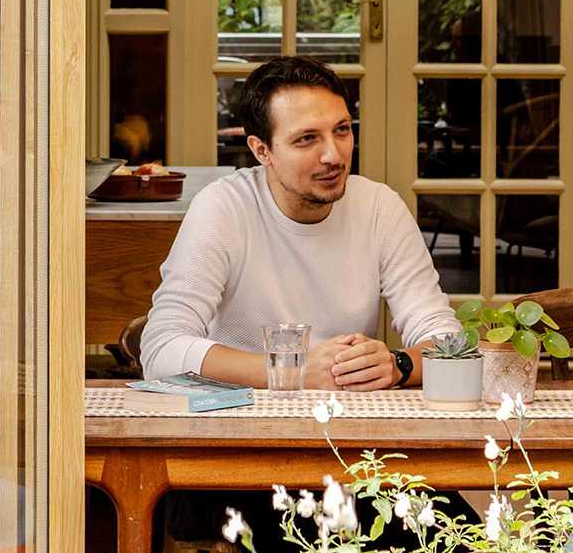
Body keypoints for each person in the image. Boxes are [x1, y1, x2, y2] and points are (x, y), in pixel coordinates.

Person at [140, 55, 459, 389]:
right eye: (307, 138)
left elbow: (450, 345)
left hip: (341, 422)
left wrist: (399, 365)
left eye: (342, 130)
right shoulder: (224, 207)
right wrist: (293, 372)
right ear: (262, 151)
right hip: (234, 418)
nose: (334, 156)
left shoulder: (379, 207)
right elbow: (160, 350)